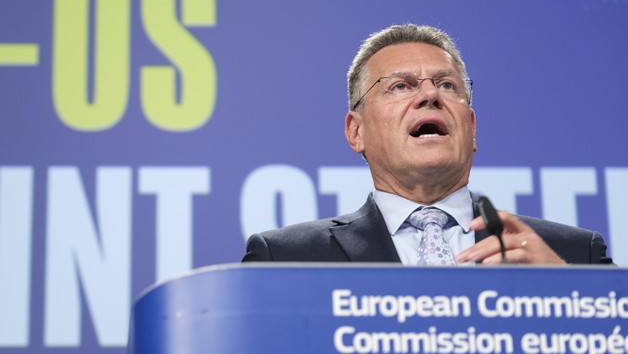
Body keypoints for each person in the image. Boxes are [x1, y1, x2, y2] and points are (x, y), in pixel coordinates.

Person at [242, 24, 612, 265]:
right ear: (356, 132)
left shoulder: (574, 256)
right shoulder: (287, 259)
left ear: (471, 127)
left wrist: (570, 292)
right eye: (399, 86)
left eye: (447, 85)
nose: (430, 95)